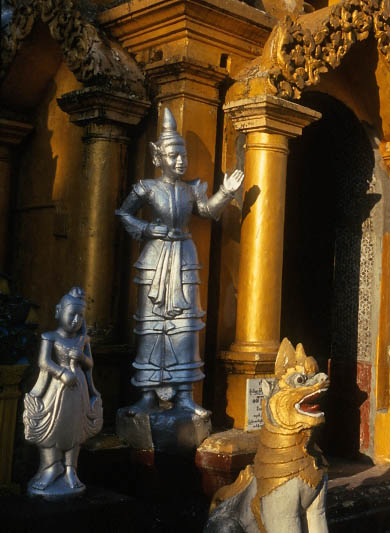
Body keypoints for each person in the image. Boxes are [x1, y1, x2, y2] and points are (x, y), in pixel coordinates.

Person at [116, 108, 244, 416]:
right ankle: (147, 395)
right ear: (158, 157)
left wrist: (225, 192)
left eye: (182, 156)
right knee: (150, 327)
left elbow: (209, 212)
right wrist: (147, 229)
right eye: (173, 156)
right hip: (155, 258)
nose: (180, 161)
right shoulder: (146, 187)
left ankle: (185, 395)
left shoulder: (191, 189)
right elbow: (123, 214)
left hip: (184, 258)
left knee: (186, 328)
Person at [23, 287, 102, 497]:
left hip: (78, 389)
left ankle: (70, 470)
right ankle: (51, 468)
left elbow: (90, 363)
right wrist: (60, 373)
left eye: (80, 316)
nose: (76, 320)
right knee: (52, 428)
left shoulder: (83, 340)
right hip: (57, 390)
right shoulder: (50, 337)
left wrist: (82, 357)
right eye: (71, 314)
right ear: (59, 312)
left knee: (76, 429)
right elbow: (44, 361)